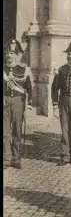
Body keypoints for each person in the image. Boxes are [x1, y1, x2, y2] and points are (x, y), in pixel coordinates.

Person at [4, 39, 33, 169]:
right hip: (4, 101)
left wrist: (29, 103)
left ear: (18, 55)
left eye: (13, 53)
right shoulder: (4, 69)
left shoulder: (24, 70)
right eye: (8, 53)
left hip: (18, 101)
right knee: (5, 132)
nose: (10, 55)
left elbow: (29, 87)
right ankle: (6, 157)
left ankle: (16, 157)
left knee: (17, 130)